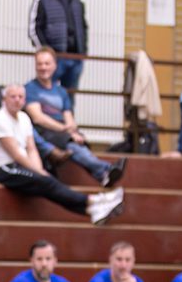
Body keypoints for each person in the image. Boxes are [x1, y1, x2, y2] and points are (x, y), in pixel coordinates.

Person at [0, 84, 124, 225]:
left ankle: (92, 211)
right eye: (13, 97)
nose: (17, 100)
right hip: (2, 168)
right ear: (4, 99)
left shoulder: (24, 118)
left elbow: (31, 148)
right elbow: (16, 155)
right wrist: (39, 173)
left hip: (19, 166)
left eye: (21, 97)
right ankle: (94, 200)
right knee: (46, 181)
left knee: (47, 183)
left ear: (25, 100)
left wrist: (39, 171)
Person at [24, 47, 126, 186]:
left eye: (47, 63)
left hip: (63, 133)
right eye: (39, 64)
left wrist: (73, 131)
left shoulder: (61, 91)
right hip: (44, 132)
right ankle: (106, 169)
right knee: (72, 144)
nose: (43, 67)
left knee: (77, 143)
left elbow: (69, 117)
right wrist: (66, 130)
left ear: (55, 65)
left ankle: (102, 175)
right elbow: (38, 118)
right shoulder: (30, 88)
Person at [28, 0, 88, 92]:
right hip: (54, 58)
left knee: (69, 96)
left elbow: (83, 28)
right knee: (46, 93)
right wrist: (45, 53)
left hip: (75, 58)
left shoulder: (77, 2)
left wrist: (83, 52)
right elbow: (34, 29)